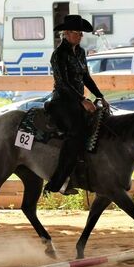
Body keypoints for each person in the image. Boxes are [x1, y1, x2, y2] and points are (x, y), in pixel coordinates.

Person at [43, 14, 109, 195]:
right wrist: (82, 100)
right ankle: (58, 182)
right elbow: (63, 83)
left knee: (102, 122)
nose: (80, 36)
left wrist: (99, 96)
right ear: (67, 33)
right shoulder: (58, 55)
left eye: (81, 33)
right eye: (77, 33)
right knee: (76, 133)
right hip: (62, 102)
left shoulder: (80, 52)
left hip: (78, 100)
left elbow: (86, 77)